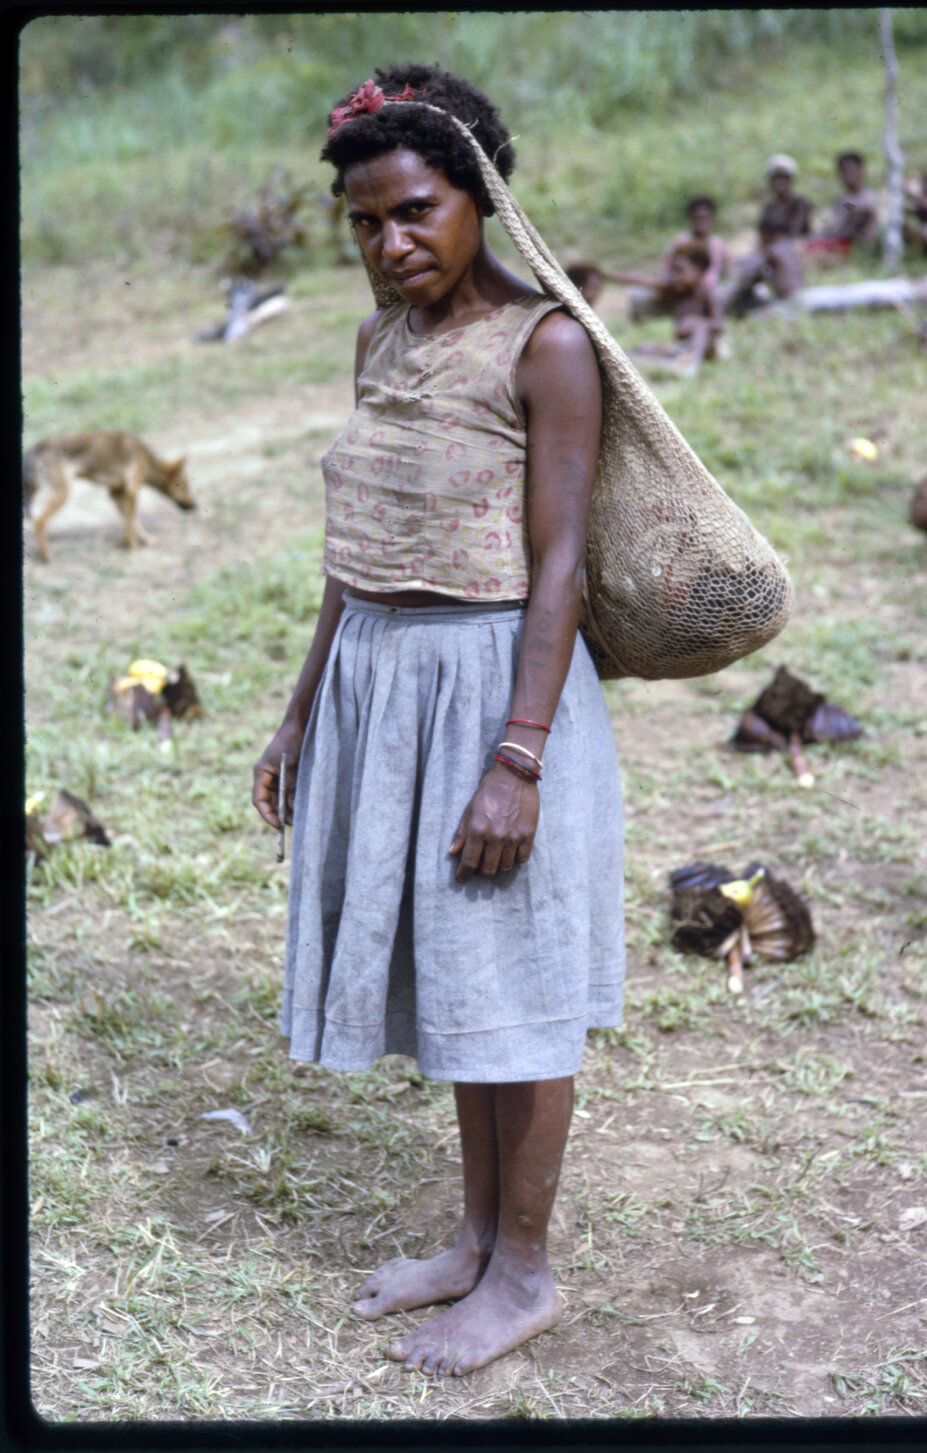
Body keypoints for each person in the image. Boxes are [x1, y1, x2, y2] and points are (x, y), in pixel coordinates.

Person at [252, 63, 625, 1380]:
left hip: (493, 691)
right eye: (364, 223)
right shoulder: (380, 341)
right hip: (381, 681)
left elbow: (565, 560)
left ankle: (525, 1272)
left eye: (414, 211)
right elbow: (357, 546)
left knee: (516, 992)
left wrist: (517, 756)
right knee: (466, 988)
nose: (390, 242)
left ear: (480, 200)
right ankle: (470, 1244)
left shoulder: (548, 344)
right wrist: (303, 710)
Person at [621, 241, 725, 375]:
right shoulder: (676, 292)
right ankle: (628, 357)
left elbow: (720, 325)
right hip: (682, 347)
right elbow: (642, 281)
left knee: (701, 328)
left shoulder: (707, 294)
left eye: (680, 271)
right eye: (674, 271)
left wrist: (696, 321)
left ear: (699, 272)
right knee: (645, 349)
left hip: (707, 345)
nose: (675, 277)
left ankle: (692, 366)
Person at [724, 156, 809, 316]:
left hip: (792, 299)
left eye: (783, 178)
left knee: (756, 315)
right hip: (789, 289)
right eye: (776, 178)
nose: (779, 183)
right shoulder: (769, 208)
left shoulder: (798, 204)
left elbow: (796, 235)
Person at [803, 151, 879, 257]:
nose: (847, 174)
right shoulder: (841, 199)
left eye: (851, 170)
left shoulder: (867, 199)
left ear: (861, 170)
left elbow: (851, 229)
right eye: (844, 171)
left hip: (851, 249)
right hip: (834, 243)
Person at [663, 195, 730, 291]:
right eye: (698, 218)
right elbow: (667, 273)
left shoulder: (718, 244)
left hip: (710, 292)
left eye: (706, 217)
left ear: (712, 218)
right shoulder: (681, 241)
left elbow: (728, 272)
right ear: (691, 219)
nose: (702, 222)